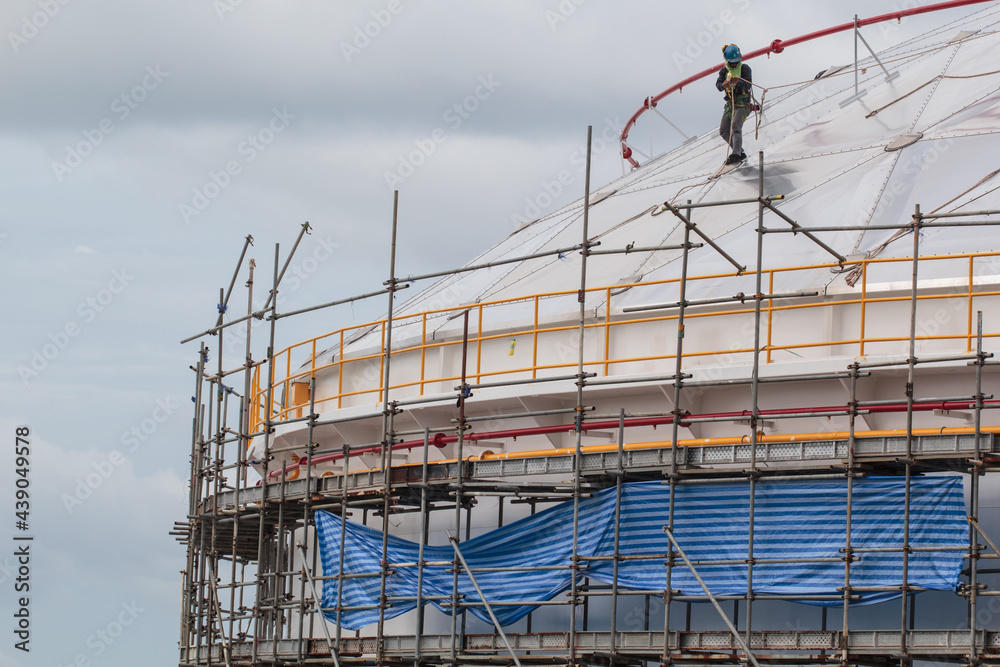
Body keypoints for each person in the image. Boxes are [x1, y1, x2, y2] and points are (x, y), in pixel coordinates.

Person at [716, 44, 752, 165]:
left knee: (736, 127)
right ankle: (739, 151)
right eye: (732, 62)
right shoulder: (724, 71)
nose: (734, 65)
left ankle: (736, 154)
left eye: (736, 62)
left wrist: (739, 81)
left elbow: (748, 85)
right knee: (723, 130)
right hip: (730, 104)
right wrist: (723, 85)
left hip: (742, 103)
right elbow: (718, 85)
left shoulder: (745, 69)